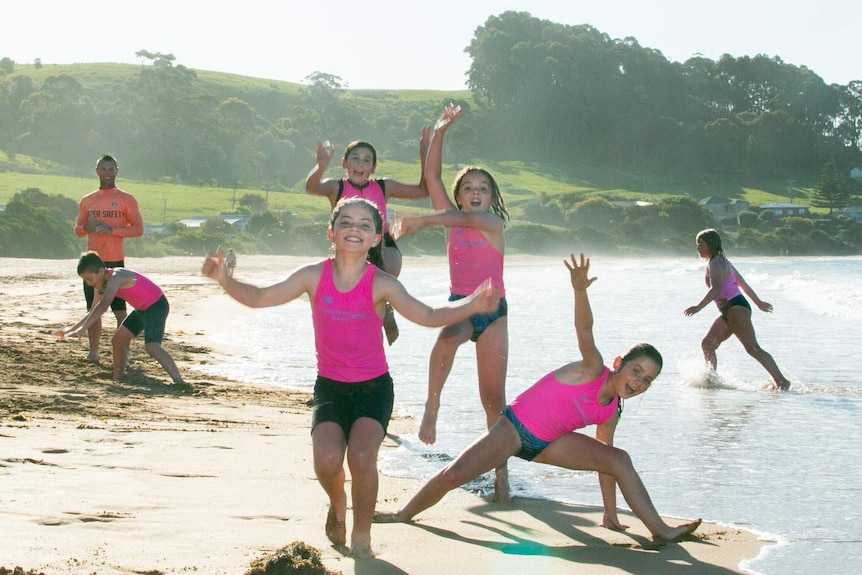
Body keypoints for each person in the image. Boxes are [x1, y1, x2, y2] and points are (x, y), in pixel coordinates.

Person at [200, 197, 499, 558]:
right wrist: (223, 278)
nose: (354, 228)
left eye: (364, 224)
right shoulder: (313, 276)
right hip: (330, 388)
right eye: (346, 222)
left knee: (361, 456)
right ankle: (338, 500)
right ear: (331, 232)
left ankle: (361, 535)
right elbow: (262, 296)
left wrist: (472, 304)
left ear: (376, 239)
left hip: (374, 388)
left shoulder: (382, 284)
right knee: (326, 462)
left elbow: (429, 313)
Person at [375, 254, 703, 543]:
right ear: (618, 364)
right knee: (455, 475)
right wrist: (579, 290)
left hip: (548, 444)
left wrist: (610, 512)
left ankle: (660, 529)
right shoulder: (592, 369)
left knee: (619, 459)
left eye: (647, 380)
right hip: (513, 429)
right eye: (636, 370)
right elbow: (585, 330)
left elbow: (607, 464)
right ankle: (403, 514)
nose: (638, 381)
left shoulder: (610, 411)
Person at [391, 104, 511, 502]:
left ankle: (501, 473)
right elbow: (431, 177)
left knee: (493, 401)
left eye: (483, 189)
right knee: (445, 339)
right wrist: (440, 132)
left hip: (493, 313)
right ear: (459, 194)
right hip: (462, 305)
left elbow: (460, 221)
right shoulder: (451, 216)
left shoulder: (492, 224)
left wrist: (421, 221)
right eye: (469, 188)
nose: (475, 193)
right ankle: (431, 407)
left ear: (491, 198)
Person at [304, 131, 430, 345]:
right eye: (355, 158)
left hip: (382, 250)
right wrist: (321, 165)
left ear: (373, 167)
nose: (360, 164)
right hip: (349, 252)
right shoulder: (337, 187)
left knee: (371, 300)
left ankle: (383, 303)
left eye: (367, 160)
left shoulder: (383, 186)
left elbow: (423, 190)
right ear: (344, 163)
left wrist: (425, 153)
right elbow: (312, 187)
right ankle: (372, 317)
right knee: (353, 310)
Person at [53, 251, 186, 387]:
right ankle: (118, 378)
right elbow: (93, 311)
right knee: (118, 340)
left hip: (157, 305)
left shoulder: (116, 277)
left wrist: (82, 329)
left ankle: (179, 381)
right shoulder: (101, 284)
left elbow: (103, 306)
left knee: (151, 347)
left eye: (89, 279)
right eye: (85, 280)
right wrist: (69, 330)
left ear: (100, 271)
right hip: (142, 309)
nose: (88, 283)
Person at [684, 228, 790, 391]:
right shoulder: (721, 261)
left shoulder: (716, 262)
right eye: (697, 245)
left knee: (752, 347)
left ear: (710, 244)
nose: (698, 248)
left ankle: (781, 381)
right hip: (731, 309)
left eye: (700, 244)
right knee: (708, 344)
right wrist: (758, 303)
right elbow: (743, 284)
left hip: (736, 307)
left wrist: (698, 307)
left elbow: (716, 288)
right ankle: (711, 379)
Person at [74, 154, 144, 363]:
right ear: (97, 171)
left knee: (120, 311)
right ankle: (93, 351)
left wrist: (111, 230)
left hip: (115, 262)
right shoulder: (88, 200)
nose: (107, 173)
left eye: (111, 169)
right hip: (93, 263)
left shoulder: (126, 199)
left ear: (117, 171)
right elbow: (78, 230)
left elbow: (138, 229)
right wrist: (86, 227)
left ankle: (124, 353)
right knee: (93, 309)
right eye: (103, 169)